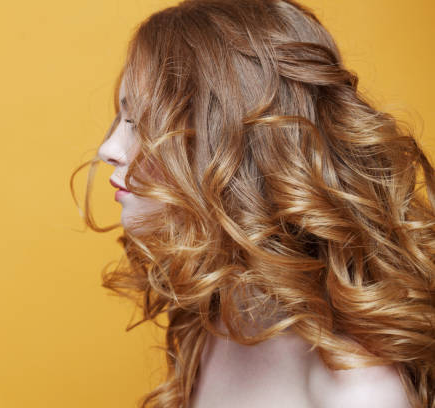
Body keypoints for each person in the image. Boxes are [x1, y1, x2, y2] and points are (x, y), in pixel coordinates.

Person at [71, 0, 434, 407]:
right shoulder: (212, 316)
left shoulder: (358, 393)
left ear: (234, 148)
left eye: (141, 122)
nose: (108, 149)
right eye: (121, 119)